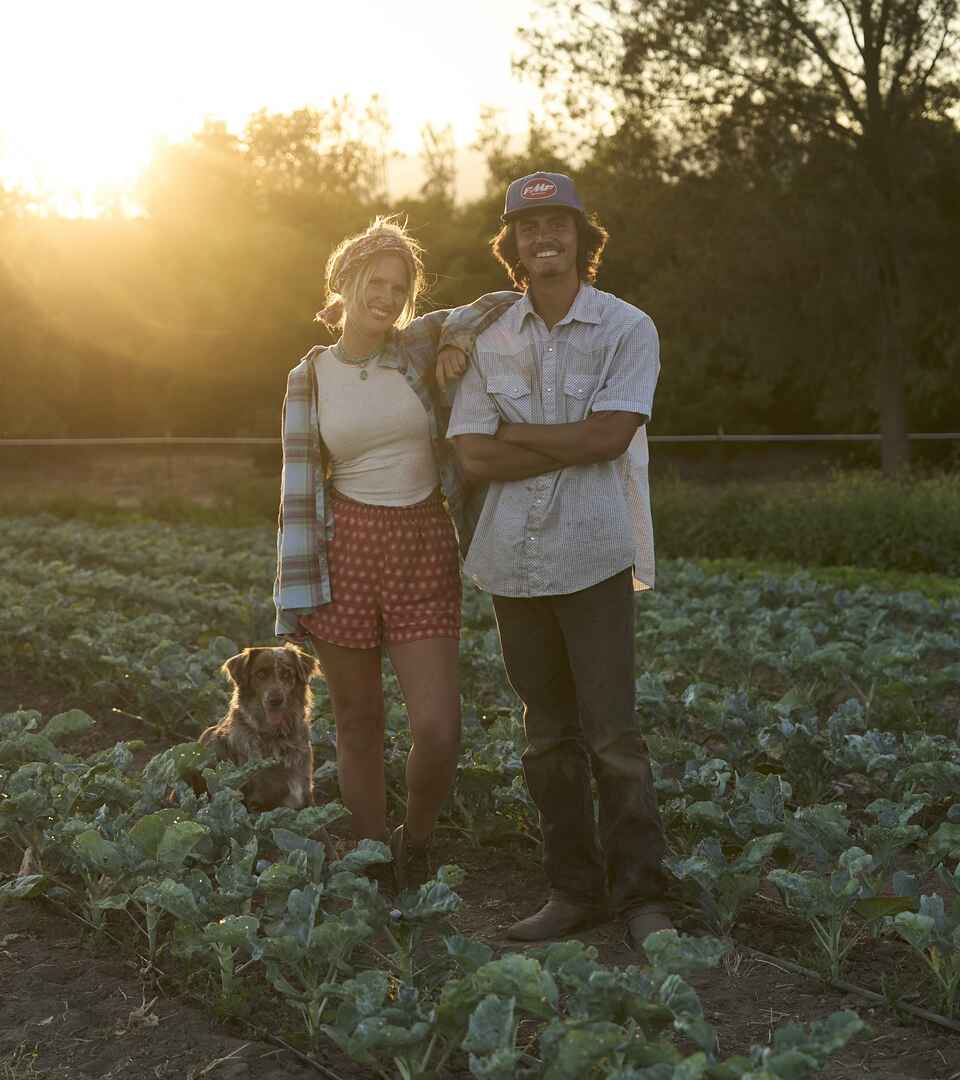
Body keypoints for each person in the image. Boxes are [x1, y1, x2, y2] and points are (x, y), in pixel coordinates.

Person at [447, 172, 674, 950]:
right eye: (528, 228)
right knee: (546, 736)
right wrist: (563, 438)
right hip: (512, 560)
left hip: (595, 552)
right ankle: (572, 893)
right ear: (510, 244)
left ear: (583, 238)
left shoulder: (625, 328)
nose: (544, 239)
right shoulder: (490, 337)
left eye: (559, 226)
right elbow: (472, 456)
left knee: (613, 734)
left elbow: (611, 438)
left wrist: (519, 435)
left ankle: (644, 896)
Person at [274, 216, 515, 891]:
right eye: (374, 282)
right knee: (358, 720)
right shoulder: (309, 376)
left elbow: (499, 301)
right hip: (345, 548)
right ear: (344, 284)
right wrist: (292, 595)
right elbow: (296, 490)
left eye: (399, 286)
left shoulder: (414, 348)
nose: (386, 295)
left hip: (422, 544)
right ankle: (374, 855)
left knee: (438, 726)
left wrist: (456, 342)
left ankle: (418, 839)